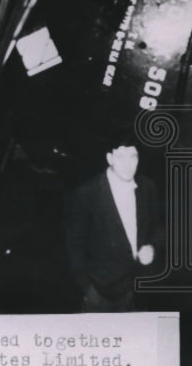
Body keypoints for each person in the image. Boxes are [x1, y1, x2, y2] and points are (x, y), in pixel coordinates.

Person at [65, 132, 162, 312]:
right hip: (100, 292)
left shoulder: (147, 187)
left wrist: (152, 246)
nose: (128, 164)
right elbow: (74, 244)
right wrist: (87, 287)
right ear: (110, 158)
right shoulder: (87, 193)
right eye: (121, 156)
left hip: (136, 287)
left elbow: (158, 226)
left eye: (133, 157)